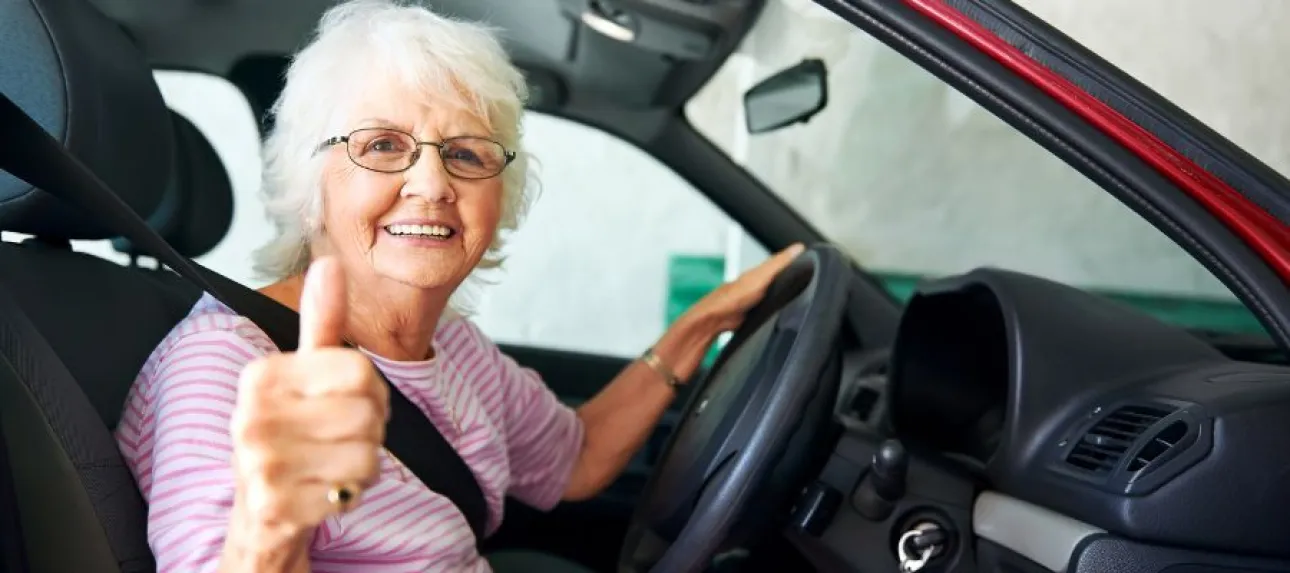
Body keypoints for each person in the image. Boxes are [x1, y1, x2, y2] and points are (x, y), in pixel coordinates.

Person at [113, 0, 805, 571]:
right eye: (382, 145)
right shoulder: (223, 367)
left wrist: (705, 322)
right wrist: (272, 524)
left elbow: (578, 459)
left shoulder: (456, 348)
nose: (433, 184)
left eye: (467, 153)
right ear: (310, 183)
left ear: (498, 197)